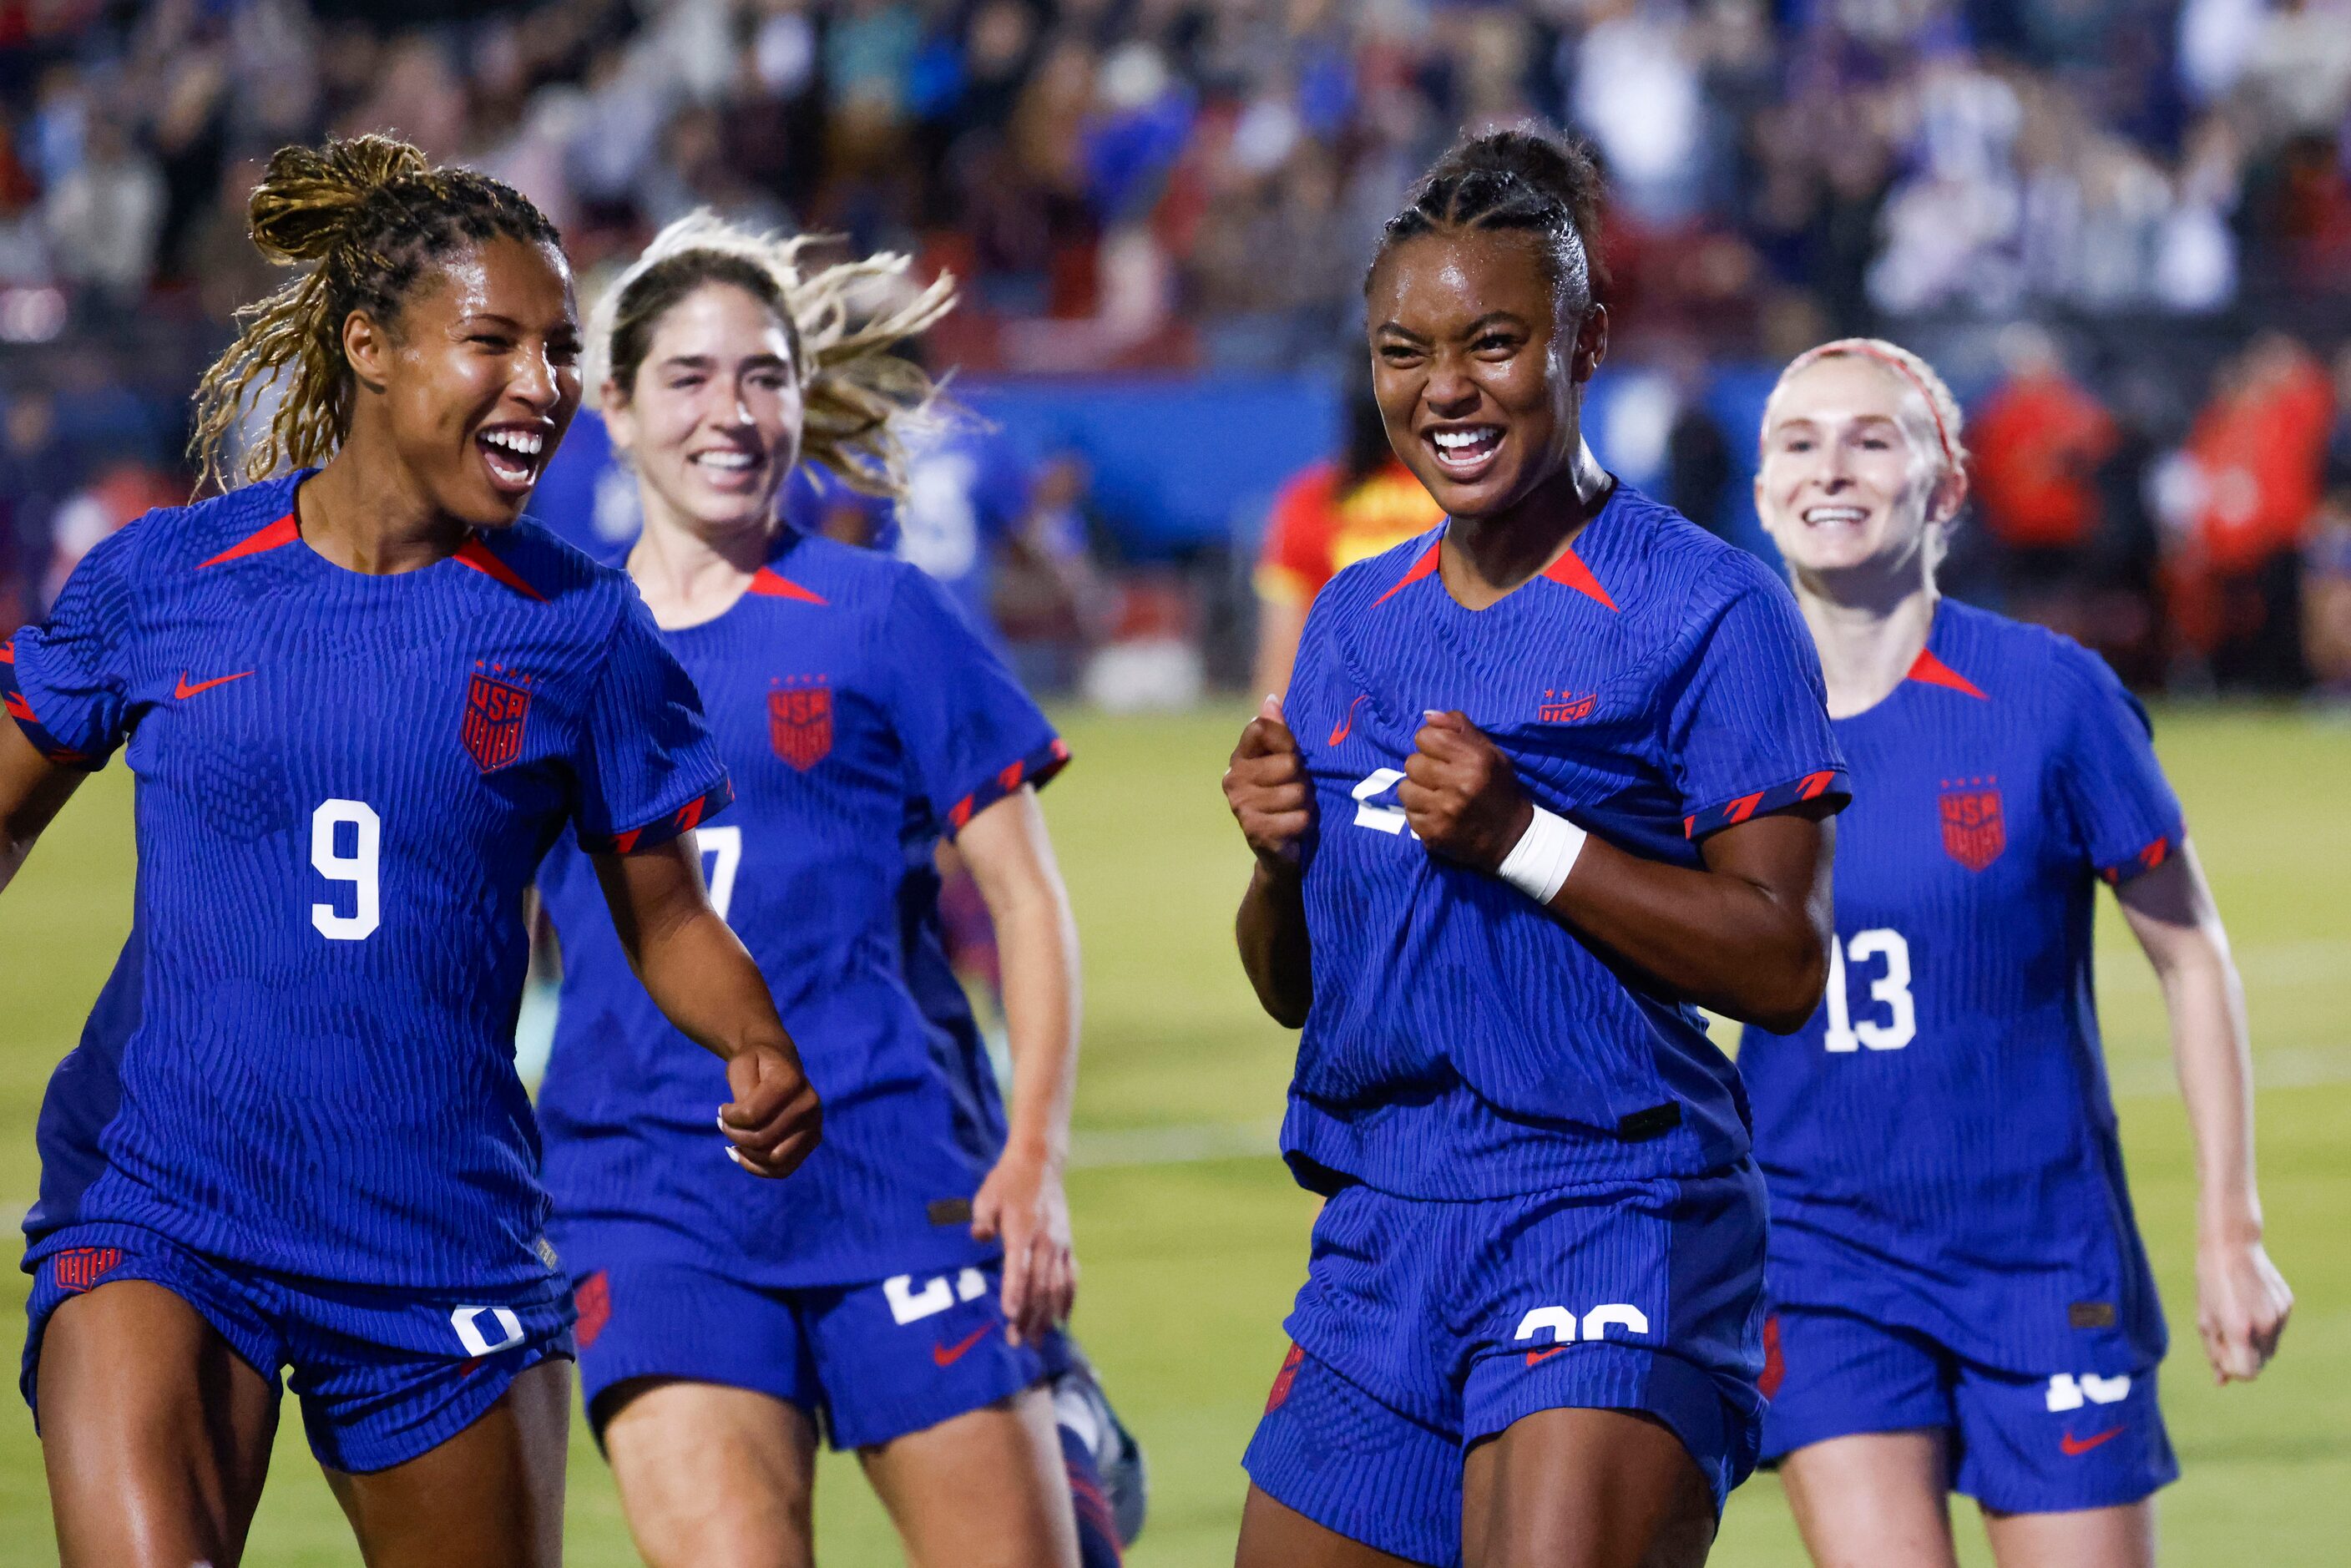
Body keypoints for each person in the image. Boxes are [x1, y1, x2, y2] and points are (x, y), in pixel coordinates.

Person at [0, 137, 822, 1568]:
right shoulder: (167, 580)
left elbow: (666, 916)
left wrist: (753, 1037)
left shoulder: (579, 628)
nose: (541, 385)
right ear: (368, 346)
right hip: (160, 1201)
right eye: (493, 342)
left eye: (559, 349)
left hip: (434, 1232)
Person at [1221, 127, 1850, 1568]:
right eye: (1405, 349)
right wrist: (1273, 864)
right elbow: (1297, 987)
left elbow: (1780, 961)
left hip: (1612, 1205)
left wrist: (1526, 837)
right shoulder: (1352, 621)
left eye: (1494, 341)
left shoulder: (1705, 610)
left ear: (1584, 341)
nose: (1446, 389)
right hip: (1385, 1225)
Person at [530, 211, 1138, 1568]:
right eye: (689, 378)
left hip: (890, 1169)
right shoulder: (550, 644)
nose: (732, 413)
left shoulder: (884, 615)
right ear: (613, 407)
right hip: (647, 1193)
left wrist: (1033, 1160)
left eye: (765, 375)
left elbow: (1026, 903)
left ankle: (1069, 1452)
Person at [1742, 337, 2294, 1568]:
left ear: (1944, 486)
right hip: (1822, 1259)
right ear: (1764, 484)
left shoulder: (2051, 696)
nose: (1832, 467)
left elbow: (2191, 956)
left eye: (1872, 438)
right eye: (1797, 441)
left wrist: (2228, 1227)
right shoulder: (1707, 717)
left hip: (2043, 1256)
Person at [1250, 367, 1445, 698]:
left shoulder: (1311, 498)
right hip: (1446, 703)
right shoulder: (1457, 492)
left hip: (1343, 713)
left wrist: (1270, 726)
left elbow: (1283, 641)